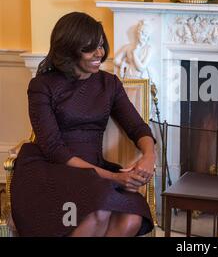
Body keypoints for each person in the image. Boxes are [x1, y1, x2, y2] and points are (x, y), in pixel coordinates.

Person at [11, 12, 156, 237]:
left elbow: (137, 127)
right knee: (98, 211)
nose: (100, 53)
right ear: (69, 50)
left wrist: (149, 157)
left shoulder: (109, 84)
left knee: (132, 218)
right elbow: (54, 150)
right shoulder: (41, 86)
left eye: (101, 45)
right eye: (90, 48)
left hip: (95, 168)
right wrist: (116, 178)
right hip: (54, 169)